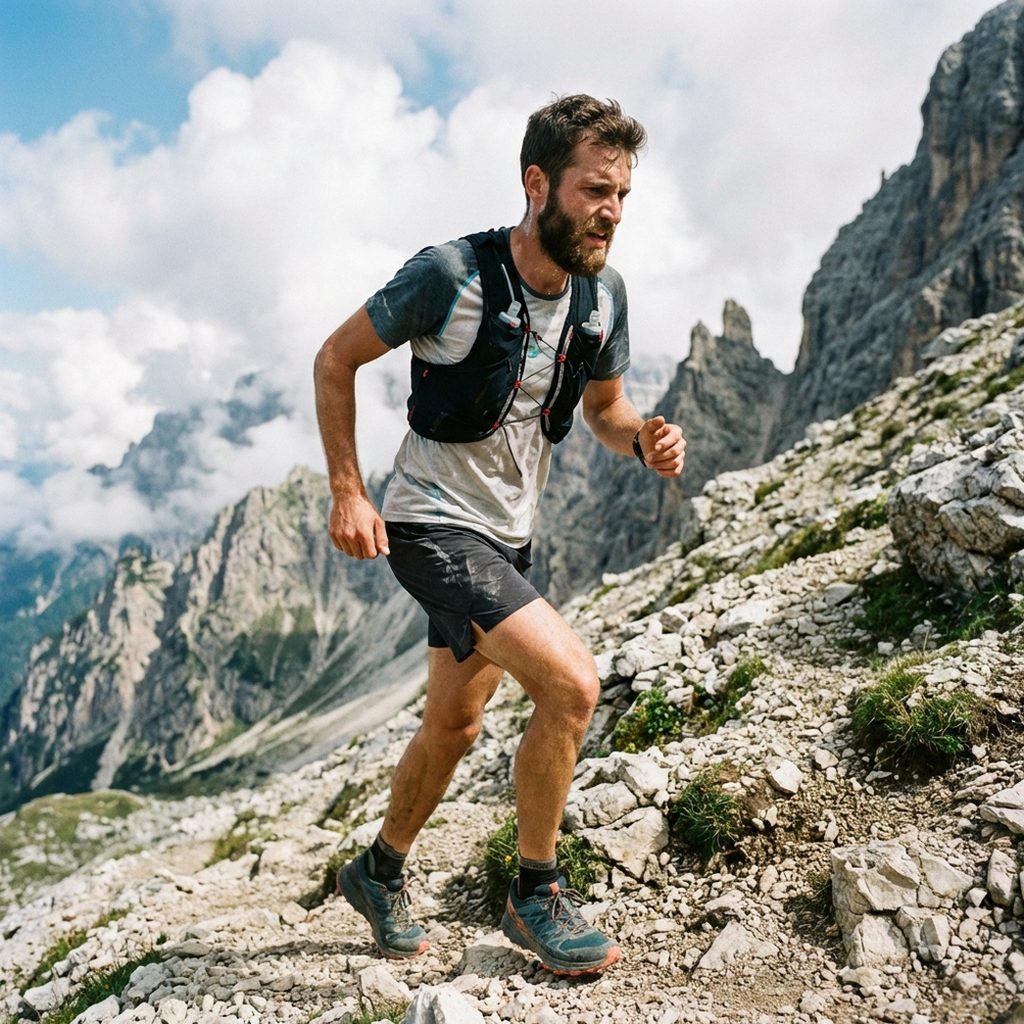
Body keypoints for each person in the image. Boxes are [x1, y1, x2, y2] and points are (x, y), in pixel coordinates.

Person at [313, 93, 685, 976]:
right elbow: (335, 358)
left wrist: (642, 438)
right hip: (432, 527)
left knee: (455, 724)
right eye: (596, 190)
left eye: (623, 195)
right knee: (572, 687)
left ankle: (378, 871)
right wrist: (347, 491)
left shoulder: (602, 297)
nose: (611, 212)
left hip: (509, 537)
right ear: (537, 183)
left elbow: (602, 408)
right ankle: (536, 893)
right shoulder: (450, 275)